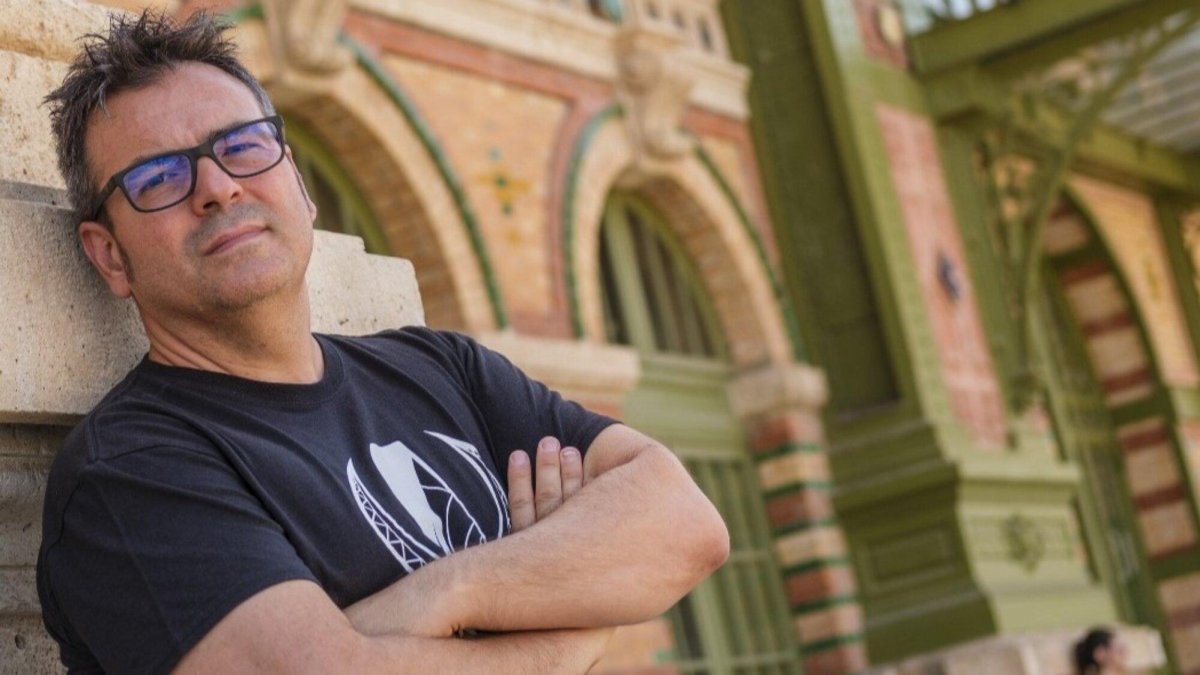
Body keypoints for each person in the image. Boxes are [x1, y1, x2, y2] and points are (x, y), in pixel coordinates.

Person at [35, 9, 729, 674]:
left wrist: (453, 590)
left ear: (300, 188)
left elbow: (684, 523)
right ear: (110, 257)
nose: (217, 187)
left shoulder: (444, 369)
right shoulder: (130, 471)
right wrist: (567, 625)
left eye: (243, 146)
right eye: (159, 178)